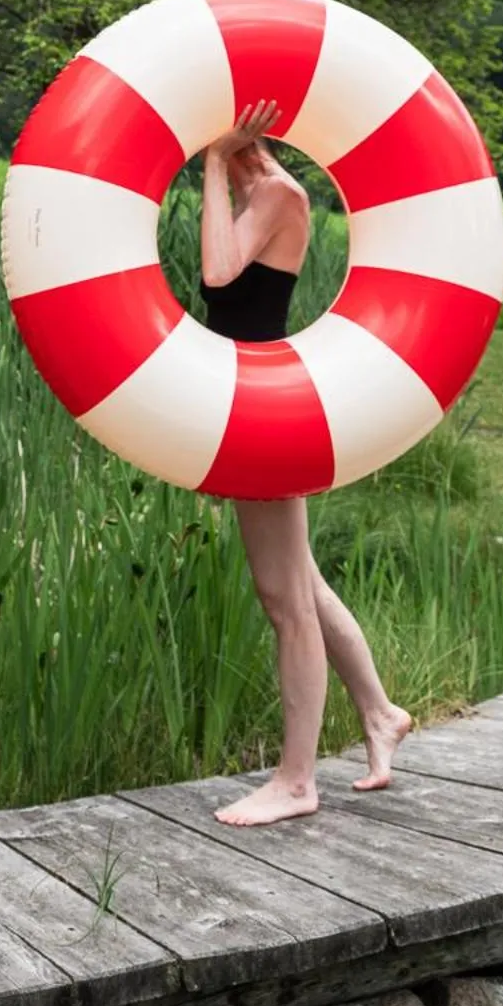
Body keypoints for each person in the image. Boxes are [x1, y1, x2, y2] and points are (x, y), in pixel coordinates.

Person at [201, 98, 412, 826]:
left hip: (267, 405)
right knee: (304, 584)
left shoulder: (278, 194)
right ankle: (380, 713)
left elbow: (219, 277)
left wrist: (211, 163)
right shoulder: (251, 194)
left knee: (283, 599)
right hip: (245, 401)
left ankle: (297, 782)